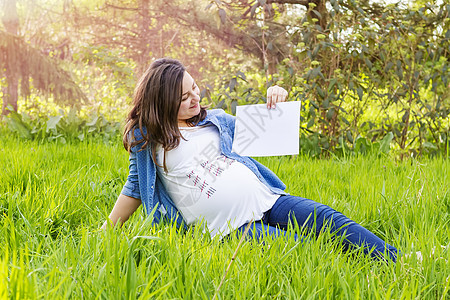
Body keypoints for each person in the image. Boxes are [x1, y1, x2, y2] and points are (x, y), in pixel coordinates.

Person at [102, 58, 399, 262]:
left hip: (268, 201)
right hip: (230, 229)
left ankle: (398, 261)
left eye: (195, 88)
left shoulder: (215, 120)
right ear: (162, 102)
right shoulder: (147, 139)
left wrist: (275, 98)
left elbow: (267, 129)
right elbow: (135, 187)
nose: (195, 98)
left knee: (328, 219)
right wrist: (107, 232)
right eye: (183, 97)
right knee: (303, 250)